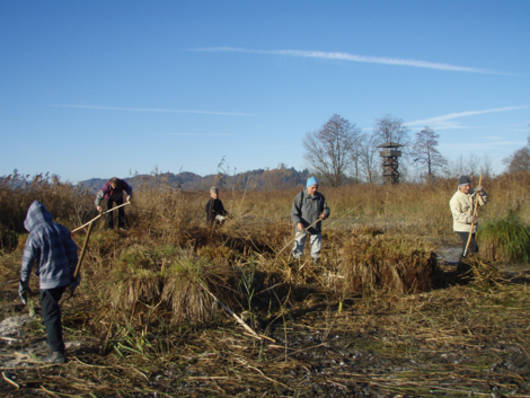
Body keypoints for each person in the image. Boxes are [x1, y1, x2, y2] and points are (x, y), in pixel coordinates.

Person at [18, 200, 79, 364]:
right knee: (53, 311)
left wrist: (23, 285)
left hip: (49, 281)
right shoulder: (60, 229)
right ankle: (57, 348)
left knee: (50, 315)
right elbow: (73, 253)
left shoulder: (34, 236)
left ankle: (57, 353)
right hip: (64, 278)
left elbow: (26, 264)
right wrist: (75, 276)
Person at [291, 176, 330, 262]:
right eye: (313, 187)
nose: (315, 189)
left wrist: (324, 214)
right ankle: (296, 264)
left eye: (316, 187)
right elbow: (294, 213)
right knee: (298, 248)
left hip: (316, 227)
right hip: (302, 228)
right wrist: (298, 223)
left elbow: (326, 209)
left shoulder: (320, 197)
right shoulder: (300, 197)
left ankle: (315, 265)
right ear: (308, 187)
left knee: (316, 251)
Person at [449, 175, 488, 257]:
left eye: (469, 185)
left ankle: (463, 266)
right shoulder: (455, 199)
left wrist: (481, 193)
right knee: (473, 247)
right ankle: (471, 264)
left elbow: (482, 203)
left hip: (472, 227)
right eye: (465, 186)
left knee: (466, 250)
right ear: (460, 186)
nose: (468, 187)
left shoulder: (472, 193)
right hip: (461, 227)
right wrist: (470, 219)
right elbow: (457, 216)